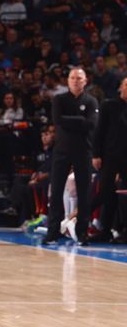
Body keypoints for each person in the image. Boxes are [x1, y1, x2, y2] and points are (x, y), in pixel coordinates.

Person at [42, 68, 98, 245]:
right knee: (56, 191)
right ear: (67, 80)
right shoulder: (59, 99)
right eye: (72, 78)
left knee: (84, 193)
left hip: (84, 151)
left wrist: (72, 120)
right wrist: (79, 120)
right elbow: (58, 120)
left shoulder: (91, 100)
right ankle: (53, 232)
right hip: (61, 151)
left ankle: (82, 232)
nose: (75, 81)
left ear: (85, 81)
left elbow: (91, 124)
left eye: (79, 78)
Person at [90, 77, 127, 243]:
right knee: (106, 193)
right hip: (110, 156)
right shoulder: (108, 105)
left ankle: (124, 232)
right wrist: (96, 154)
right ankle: (104, 230)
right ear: (120, 87)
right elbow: (99, 131)